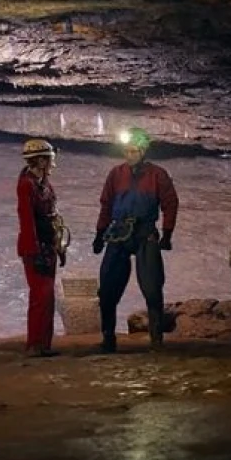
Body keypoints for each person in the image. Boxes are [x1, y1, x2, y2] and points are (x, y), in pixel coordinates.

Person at [92, 127, 178, 352]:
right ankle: (108, 337)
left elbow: (170, 203)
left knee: (152, 287)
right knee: (108, 288)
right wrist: (100, 234)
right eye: (126, 151)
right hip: (119, 232)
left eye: (133, 151)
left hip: (144, 232)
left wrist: (167, 233)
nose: (129, 155)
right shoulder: (116, 173)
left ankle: (156, 339)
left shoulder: (157, 175)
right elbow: (106, 205)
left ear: (142, 151)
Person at [17, 138, 65, 357]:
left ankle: (44, 344)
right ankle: (34, 344)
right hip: (36, 249)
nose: (53, 162)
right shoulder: (26, 185)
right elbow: (27, 220)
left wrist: (58, 245)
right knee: (40, 296)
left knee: (47, 297)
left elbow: (53, 216)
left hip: (47, 247)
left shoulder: (43, 183)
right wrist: (33, 251)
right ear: (41, 160)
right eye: (49, 158)